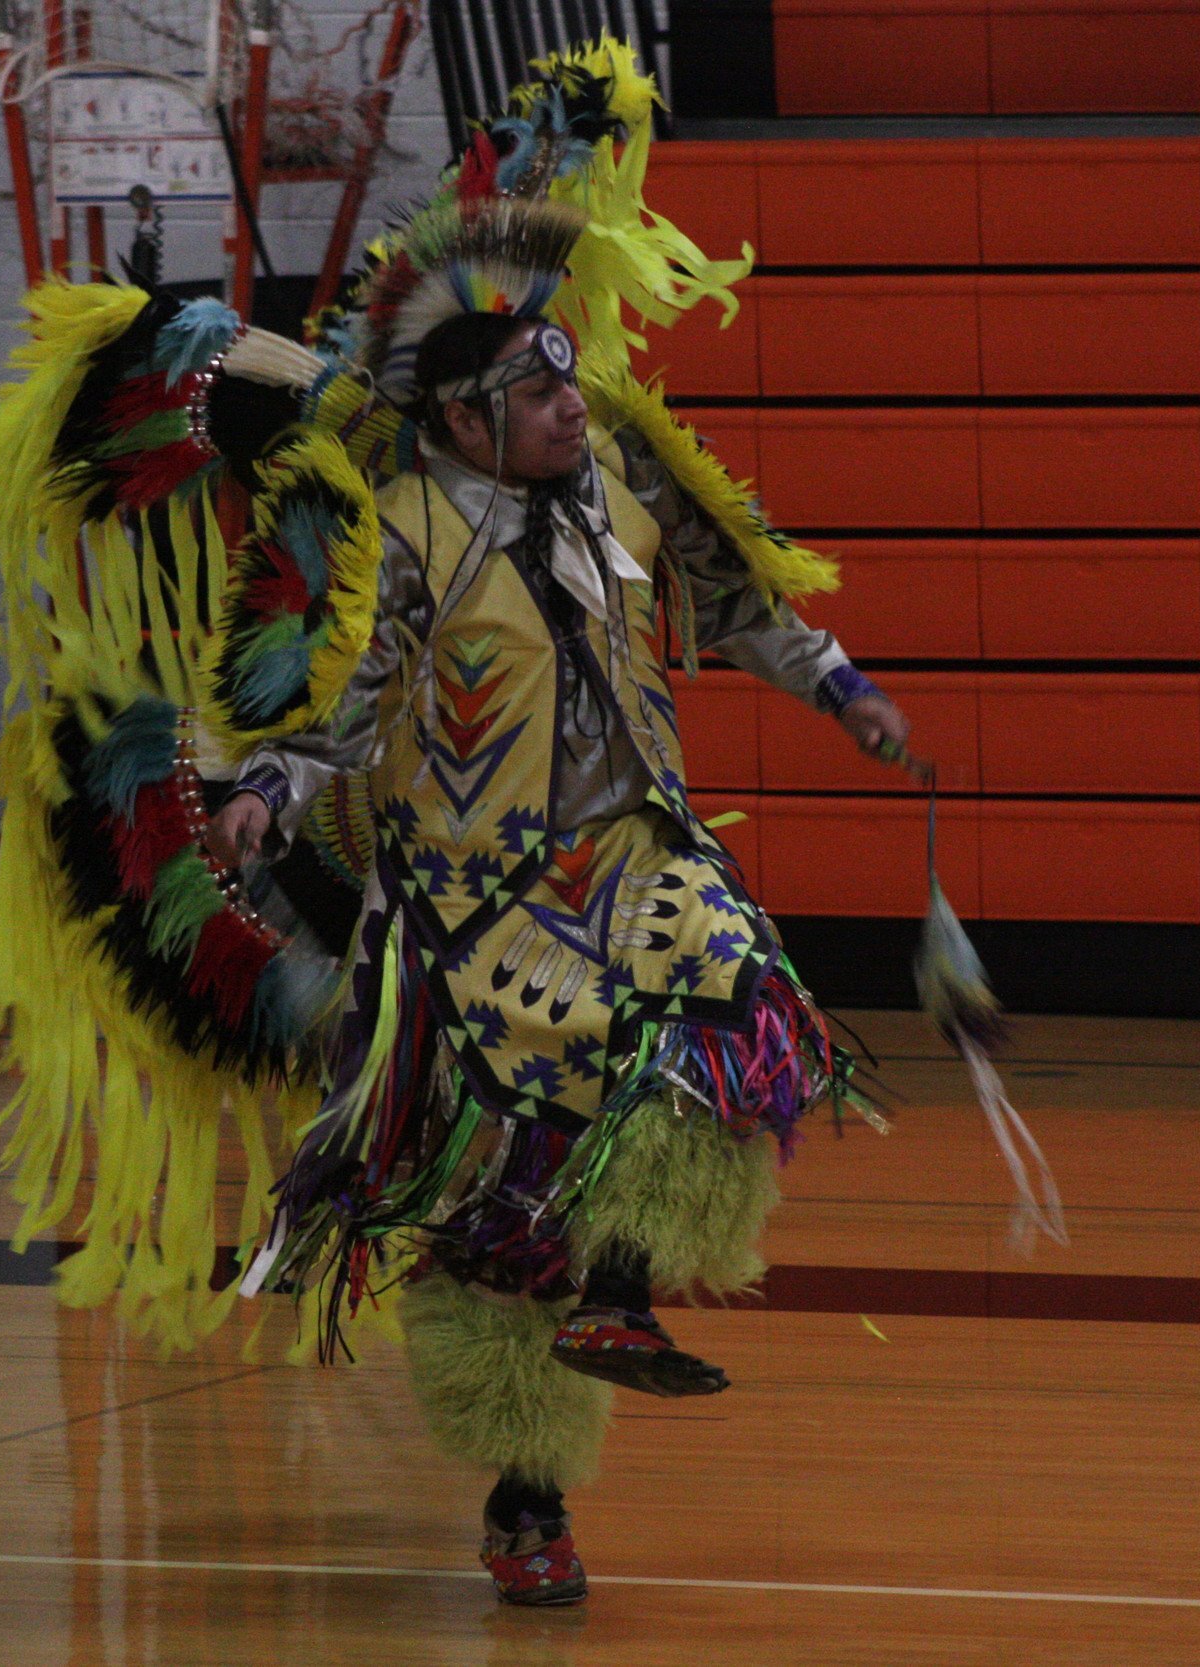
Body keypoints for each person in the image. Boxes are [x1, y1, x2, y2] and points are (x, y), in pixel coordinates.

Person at [204, 309, 912, 1605]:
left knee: (741, 1019)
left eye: (571, 383)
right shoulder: (412, 539)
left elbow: (743, 606)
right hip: (474, 904)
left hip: (637, 854)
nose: (573, 408)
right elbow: (348, 712)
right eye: (537, 394)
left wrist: (841, 689)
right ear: (466, 420)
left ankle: (622, 1290)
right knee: (505, 1200)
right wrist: (269, 789)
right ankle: (527, 1503)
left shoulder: (626, 502)